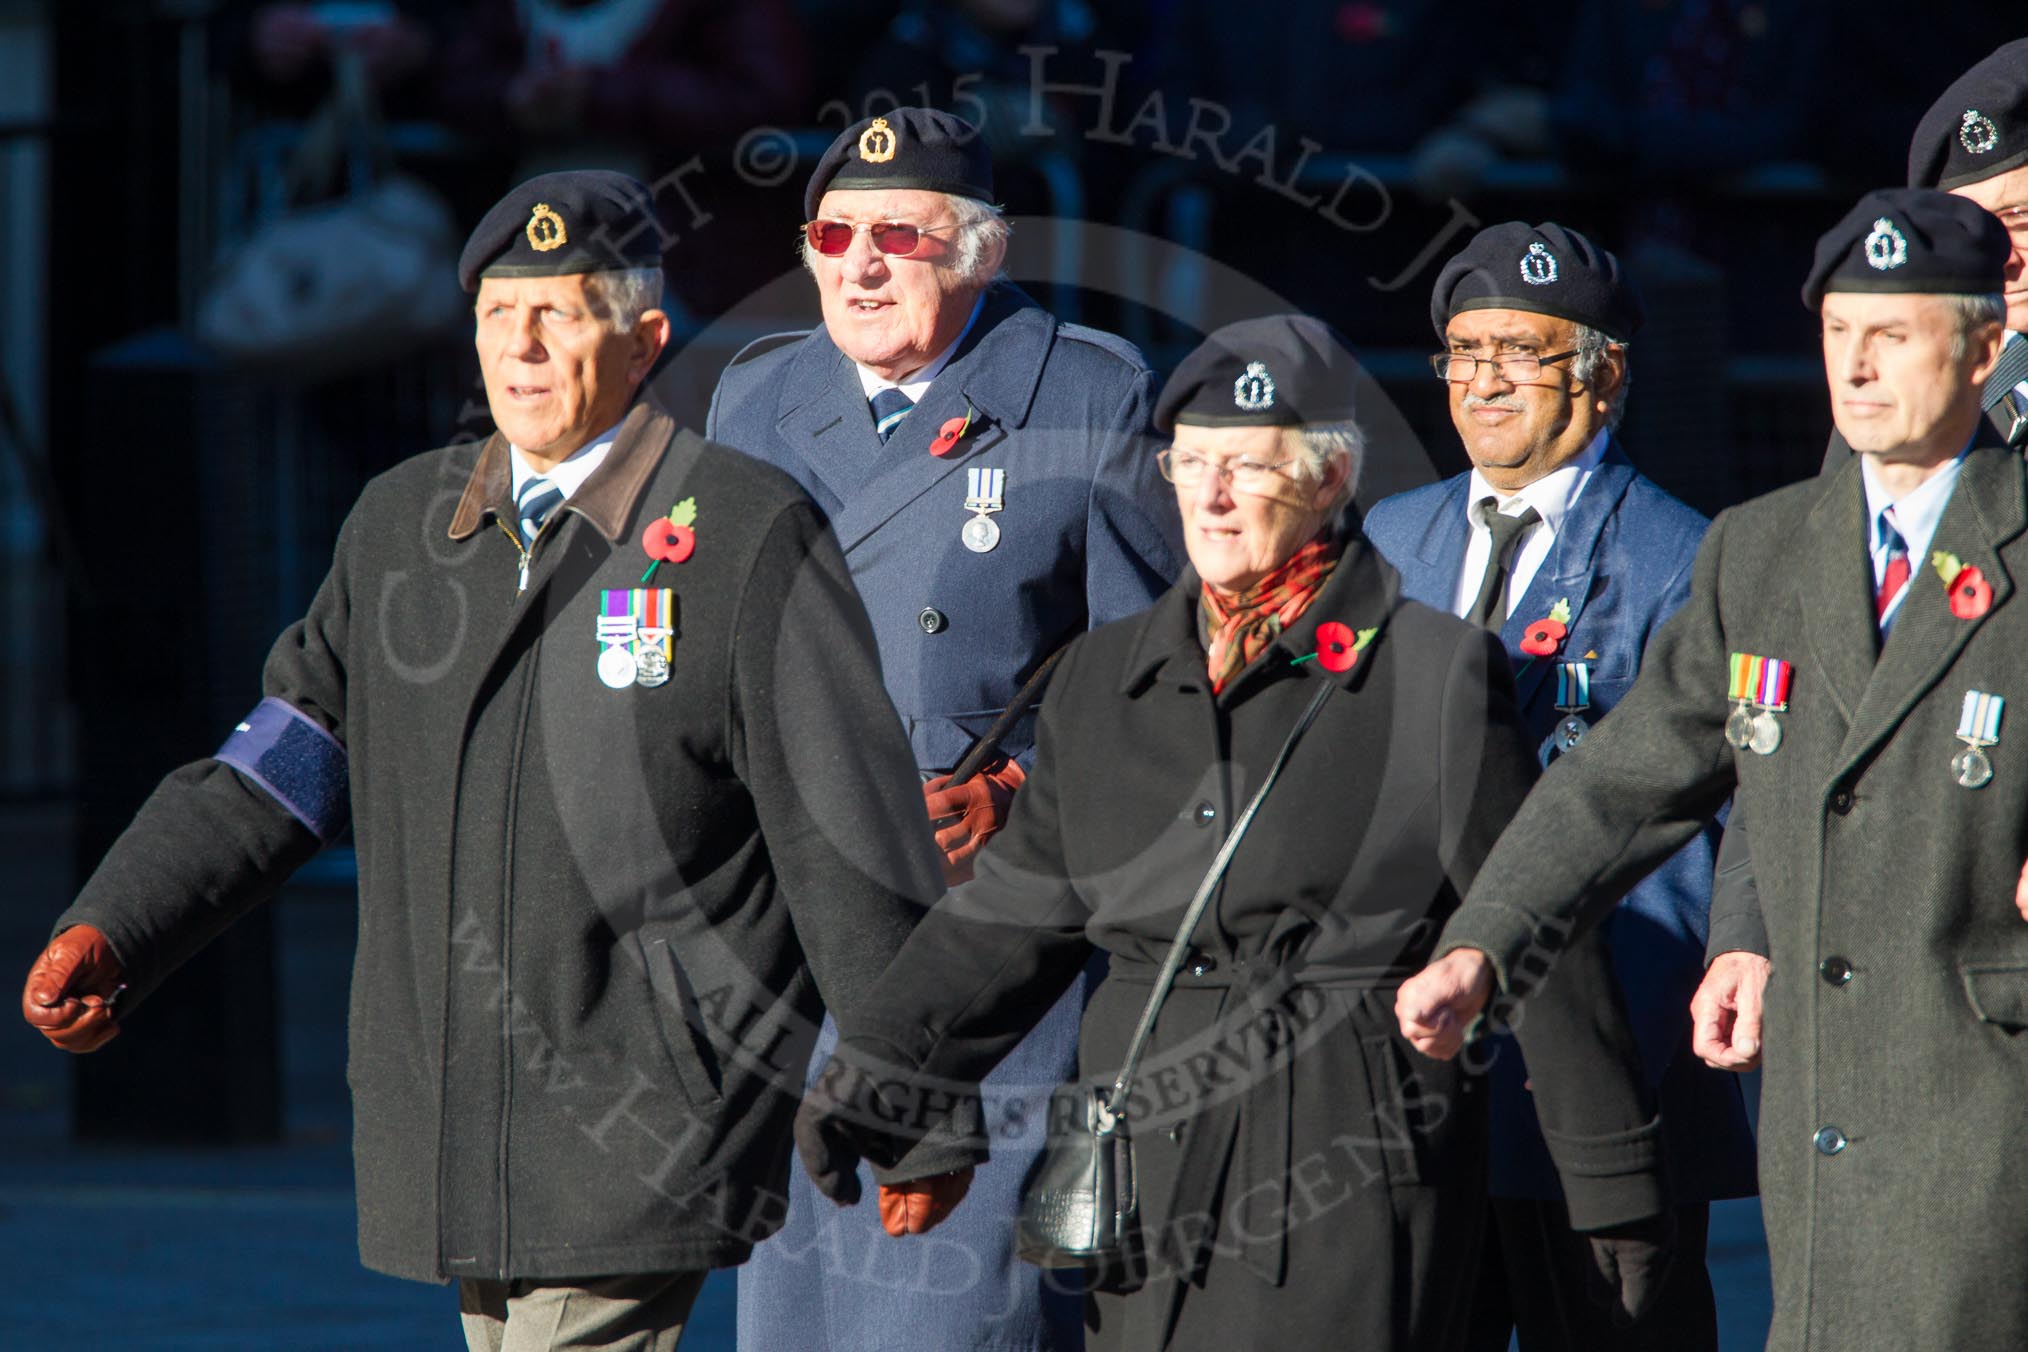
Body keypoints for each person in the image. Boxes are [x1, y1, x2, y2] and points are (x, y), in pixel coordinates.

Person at [19, 170, 964, 1351]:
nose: (519, 345)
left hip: (643, 1118)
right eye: (496, 315)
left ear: (645, 340)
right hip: (457, 1116)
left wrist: (913, 1104)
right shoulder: (401, 526)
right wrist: (121, 919)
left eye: (559, 313)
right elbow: (282, 766)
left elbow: (849, 835)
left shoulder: (743, 532)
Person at [791, 315, 1675, 1352]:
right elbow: (1014, 912)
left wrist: (1611, 1186)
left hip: (1348, 1158)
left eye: (1249, 466)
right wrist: (881, 1067)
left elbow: (1537, 921)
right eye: (1192, 463)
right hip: (1140, 1180)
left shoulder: (1433, 674)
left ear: (1329, 479)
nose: (1209, 496)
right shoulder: (1100, 677)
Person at [1398, 188, 2024, 1350]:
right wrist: (1484, 937)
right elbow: (1622, 779)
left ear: (1988, 349)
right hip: (1821, 1108)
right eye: (1839, 333)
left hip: (1986, 1093)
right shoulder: (1768, 548)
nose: (1860, 366)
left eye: (1897, 332)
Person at [709, 107, 1181, 1352]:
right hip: (800, 927)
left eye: (901, 235)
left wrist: (1026, 783)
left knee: (961, 1315)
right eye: (834, 232)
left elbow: (1151, 675)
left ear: (976, 251)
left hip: (985, 926)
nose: (861, 263)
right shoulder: (755, 400)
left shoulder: (1082, 388)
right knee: (800, 1310)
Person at [1363, 221, 1757, 1352]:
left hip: (1603, 1042)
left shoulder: (1689, 556)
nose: (1483, 379)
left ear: (1604, 372)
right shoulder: (1392, 536)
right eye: (1463, 349)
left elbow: (1719, 814)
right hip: (1422, 1062)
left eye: (1521, 351)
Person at [1701, 34, 2028, 1077]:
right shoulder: (1888, 416)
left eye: (2026, 221)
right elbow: (1800, 689)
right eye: (1984, 231)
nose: (2008, 259)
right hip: (1904, 992)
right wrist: (1751, 925)